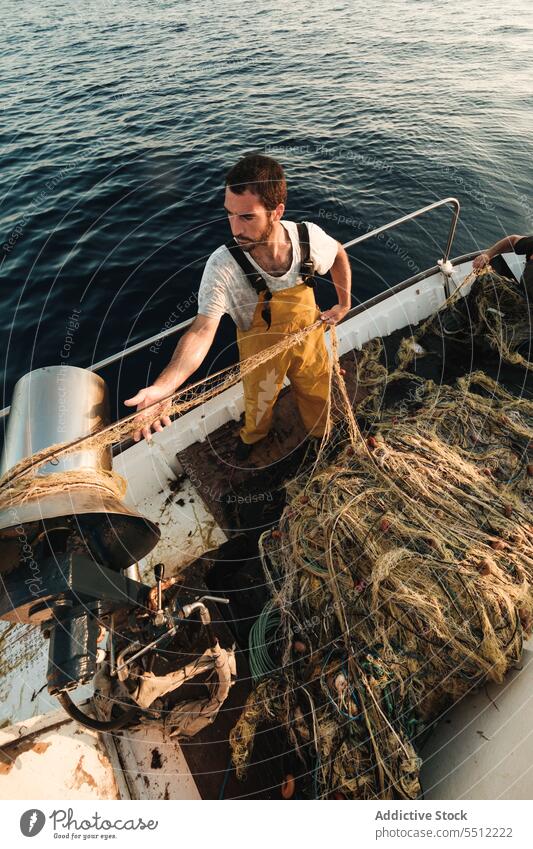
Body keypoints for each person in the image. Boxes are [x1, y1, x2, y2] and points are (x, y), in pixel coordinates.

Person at [125, 153, 352, 459]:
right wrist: (166, 385)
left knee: (317, 392)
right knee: (258, 404)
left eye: (246, 217)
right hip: (259, 351)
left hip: (309, 339)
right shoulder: (223, 265)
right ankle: (253, 438)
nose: (234, 228)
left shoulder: (307, 238)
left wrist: (344, 303)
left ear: (276, 211)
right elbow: (202, 330)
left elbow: (338, 253)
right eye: (229, 214)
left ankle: (320, 435)